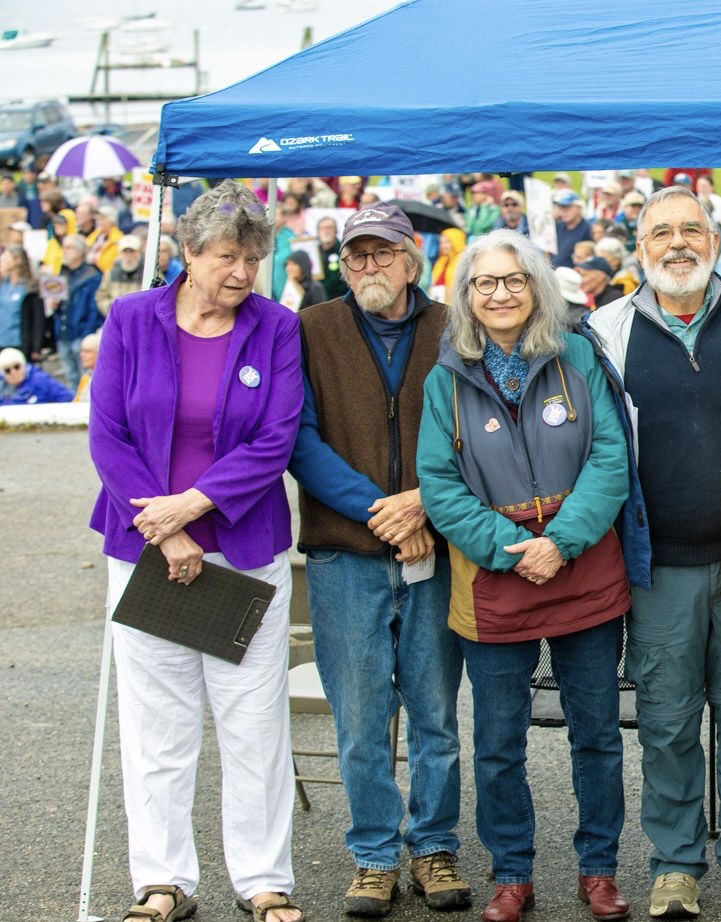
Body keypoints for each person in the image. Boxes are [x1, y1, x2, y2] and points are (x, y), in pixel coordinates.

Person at [87, 180, 306, 922]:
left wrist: (196, 505)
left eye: (253, 257)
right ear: (186, 254)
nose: (241, 272)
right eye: (225, 257)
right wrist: (168, 529)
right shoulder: (130, 320)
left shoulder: (276, 327)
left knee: (252, 723)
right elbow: (108, 435)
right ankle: (163, 880)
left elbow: (276, 437)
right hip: (148, 551)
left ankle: (263, 880)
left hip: (243, 552)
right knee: (157, 725)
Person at [582, 185, 721, 920]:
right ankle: (675, 864)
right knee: (667, 724)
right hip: (656, 565)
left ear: (717, 239)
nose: (678, 243)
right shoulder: (602, 332)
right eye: (661, 232)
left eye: (691, 230)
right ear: (639, 250)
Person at [417, 228, 633, 922]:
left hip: (583, 570)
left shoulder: (576, 357)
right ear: (468, 296)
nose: (501, 293)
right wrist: (512, 546)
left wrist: (561, 541)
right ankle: (513, 871)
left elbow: (609, 458)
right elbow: (439, 485)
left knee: (596, 732)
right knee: (498, 743)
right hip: (494, 582)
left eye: (514, 280)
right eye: (486, 283)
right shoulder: (445, 379)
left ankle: (598, 868)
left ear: (536, 288)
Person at [288, 202, 470, 918]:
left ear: (411, 259)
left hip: (436, 542)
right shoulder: (311, 329)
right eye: (357, 256)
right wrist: (386, 513)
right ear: (343, 265)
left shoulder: (454, 326)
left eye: (383, 254)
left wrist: (425, 502)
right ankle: (372, 853)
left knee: (435, 714)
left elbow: (478, 430)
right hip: (346, 552)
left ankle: (433, 845)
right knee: (359, 719)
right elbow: (299, 440)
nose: (370, 267)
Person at [54, 234, 104, 389]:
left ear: (80, 251)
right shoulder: (61, 274)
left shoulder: (93, 276)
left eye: (68, 248)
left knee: (86, 379)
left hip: (81, 333)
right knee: (70, 377)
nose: (64, 251)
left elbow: (94, 309)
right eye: (64, 248)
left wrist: (87, 333)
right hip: (63, 332)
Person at [0, 244, 42, 356]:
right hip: (2, 340)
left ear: (17, 260)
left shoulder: (30, 287)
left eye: (6, 257)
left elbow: (38, 318)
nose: (2, 260)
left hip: (19, 341)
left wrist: (36, 347)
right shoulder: (3, 284)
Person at [0, 346, 72, 404]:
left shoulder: (40, 380)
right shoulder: (2, 386)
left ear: (24, 366)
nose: (13, 372)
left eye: (17, 367)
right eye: (8, 370)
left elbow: (66, 397)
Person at [96, 234, 145, 317]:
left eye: (132, 251)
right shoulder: (110, 273)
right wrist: (113, 309)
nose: (128, 255)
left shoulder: (147, 272)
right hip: (116, 318)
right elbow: (101, 297)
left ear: (138, 252)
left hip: (140, 317)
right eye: (125, 251)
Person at [553, 190, 592, 269]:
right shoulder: (559, 226)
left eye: (567, 208)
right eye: (561, 208)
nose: (563, 212)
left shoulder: (587, 229)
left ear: (578, 208)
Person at [313, 217, 349, 301]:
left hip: (340, 301)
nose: (326, 231)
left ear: (336, 231)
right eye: (322, 228)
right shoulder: (314, 252)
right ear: (318, 232)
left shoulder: (344, 251)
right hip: (317, 302)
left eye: (330, 228)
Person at [430, 227, 468, 300]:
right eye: (441, 242)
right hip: (439, 300)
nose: (443, 246)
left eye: (447, 242)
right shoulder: (441, 261)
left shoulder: (464, 262)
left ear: (457, 241)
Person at [74, 331, 101, 401]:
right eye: (82, 351)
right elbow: (76, 402)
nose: (82, 355)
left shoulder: (107, 379)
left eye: (88, 352)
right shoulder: (86, 377)